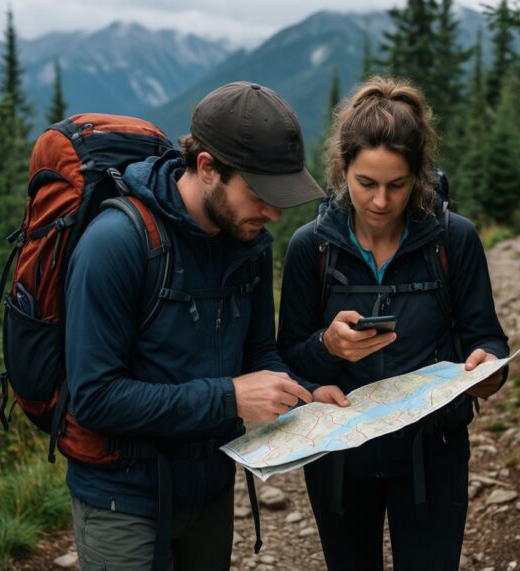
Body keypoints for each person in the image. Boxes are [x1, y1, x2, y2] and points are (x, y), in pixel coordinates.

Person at [64, 82, 330, 571]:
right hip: (122, 498)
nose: (273, 213)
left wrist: (307, 396)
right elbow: (94, 397)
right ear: (207, 168)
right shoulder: (117, 243)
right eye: (260, 194)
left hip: (210, 485)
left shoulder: (247, 241)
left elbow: (259, 354)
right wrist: (229, 398)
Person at [277, 76, 510, 571]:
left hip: (435, 455)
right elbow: (287, 358)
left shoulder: (454, 240)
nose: (381, 201)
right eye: (366, 183)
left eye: (397, 185)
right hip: (340, 458)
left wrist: (488, 369)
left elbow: (487, 338)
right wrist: (327, 349)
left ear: (419, 175)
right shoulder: (310, 247)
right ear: (343, 170)